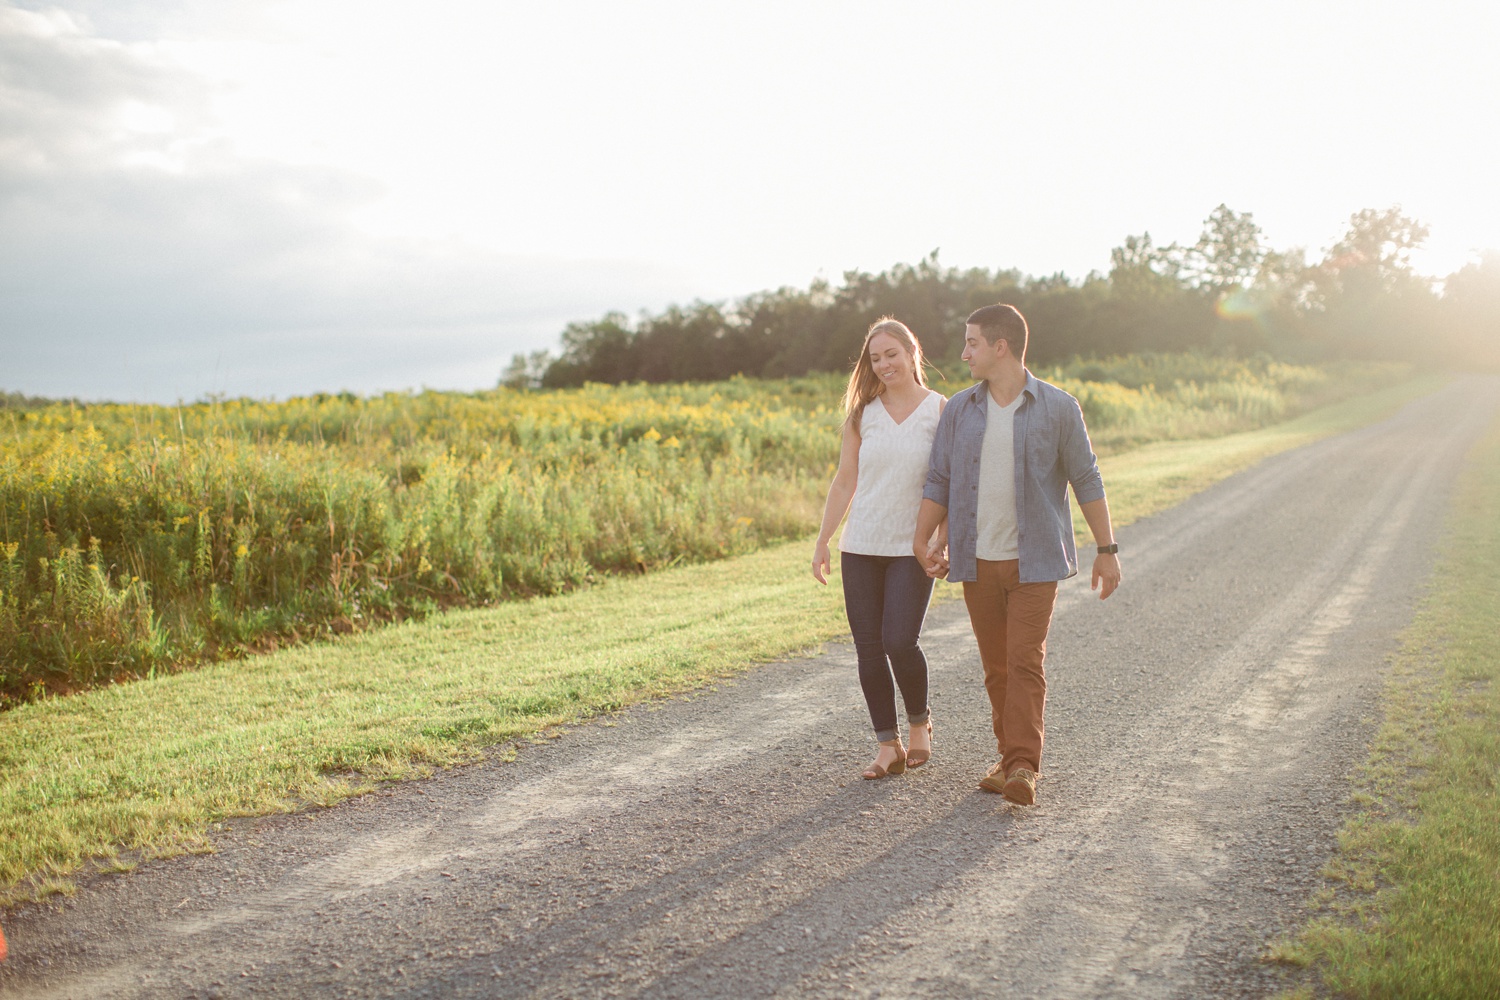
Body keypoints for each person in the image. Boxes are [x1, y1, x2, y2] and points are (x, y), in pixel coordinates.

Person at [913, 303, 1121, 805]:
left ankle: (1024, 765)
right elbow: (940, 477)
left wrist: (1107, 548)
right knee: (997, 667)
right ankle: (1009, 757)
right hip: (977, 560)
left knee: (1024, 660)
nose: (964, 353)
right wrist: (924, 539)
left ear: (999, 347)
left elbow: (1086, 477)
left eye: (972, 343)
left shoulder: (1058, 407)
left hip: (1036, 560)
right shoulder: (961, 409)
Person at [813, 318, 947, 780]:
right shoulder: (862, 413)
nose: (884, 364)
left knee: (898, 641)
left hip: (913, 546)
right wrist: (824, 538)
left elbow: (947, 481)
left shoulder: (940, 411)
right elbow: (845, 479)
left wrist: (942, 537)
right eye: (875, 358)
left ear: (913, 352)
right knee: (868, 649)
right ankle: (887, 746)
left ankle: (919, 723)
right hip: (862, 544)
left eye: (892, 353)